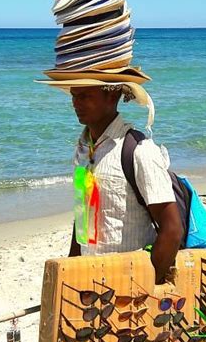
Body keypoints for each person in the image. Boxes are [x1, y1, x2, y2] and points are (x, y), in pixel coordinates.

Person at [64, 83, 183, 284]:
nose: (76, 103)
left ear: (112, 96)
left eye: (84, 96)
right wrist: (71, 269)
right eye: (73, 96)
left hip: (129, 284)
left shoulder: (140, 150)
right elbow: (83, 217)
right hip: (90, 279)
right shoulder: (83, 149)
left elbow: (172, 229)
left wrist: (147, 285)